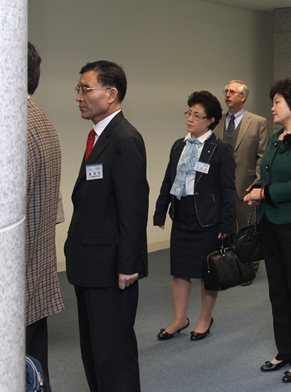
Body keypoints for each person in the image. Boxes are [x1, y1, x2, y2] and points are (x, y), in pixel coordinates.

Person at [66, 60, 149, 392]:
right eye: (79, 89)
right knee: (95, 353)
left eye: (86, 89)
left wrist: (128, 264)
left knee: (114, 356)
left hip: (112, 268)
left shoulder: (124, 139)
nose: (79, 96)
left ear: (111, 94)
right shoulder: (99, 136)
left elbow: (133, 207)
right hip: (90, 263)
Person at [243, 78, 291, 383]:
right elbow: (269, 174)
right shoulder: (277, 138)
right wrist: (258, 187)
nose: (272, 107)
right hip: (271, 223)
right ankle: (285, 350)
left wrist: (263, 193)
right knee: (277, 291)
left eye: (277, 102)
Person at [153, 91, 236, 341]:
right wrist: (160, 210)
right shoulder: (179, 145)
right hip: (182, 213)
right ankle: (180, 319)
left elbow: (228, 188)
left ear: (210, 120)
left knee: (207, 271)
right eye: (189, 113)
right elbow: (168, 179)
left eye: (197, 115)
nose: (190, 119)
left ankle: (204, 319)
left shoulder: (220, 149)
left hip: (208, 217)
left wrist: (226, 223)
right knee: (179, 270)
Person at [25, 43, 64, 392]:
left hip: (11, 280)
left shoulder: (12, 130)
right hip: (34, 270)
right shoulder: (41, 120)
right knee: (34, 370)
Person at [213, 80, 268, 230]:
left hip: (245, 186)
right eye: (226, 92)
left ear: (243, 97)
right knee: (221, 230)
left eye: (232, 92)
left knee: (246, 231)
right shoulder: (216, 122)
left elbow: (263, 156)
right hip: (219, 186)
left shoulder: (258, 122)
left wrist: (257, 182)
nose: (227, 95)